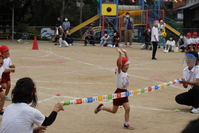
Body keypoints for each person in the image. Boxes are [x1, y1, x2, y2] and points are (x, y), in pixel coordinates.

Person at [94, 48, 135, 130]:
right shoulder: (119, 72)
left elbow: (127, 61)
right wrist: (120, 54)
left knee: (128, 108)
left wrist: (125, 53)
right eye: (126, 65)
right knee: (114, 111)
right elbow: (119, 64)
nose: (128, 67)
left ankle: (126, 124)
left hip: (125, 93)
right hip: (118, 93)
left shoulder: (125, 71)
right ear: (122, 66)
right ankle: (101, 107)